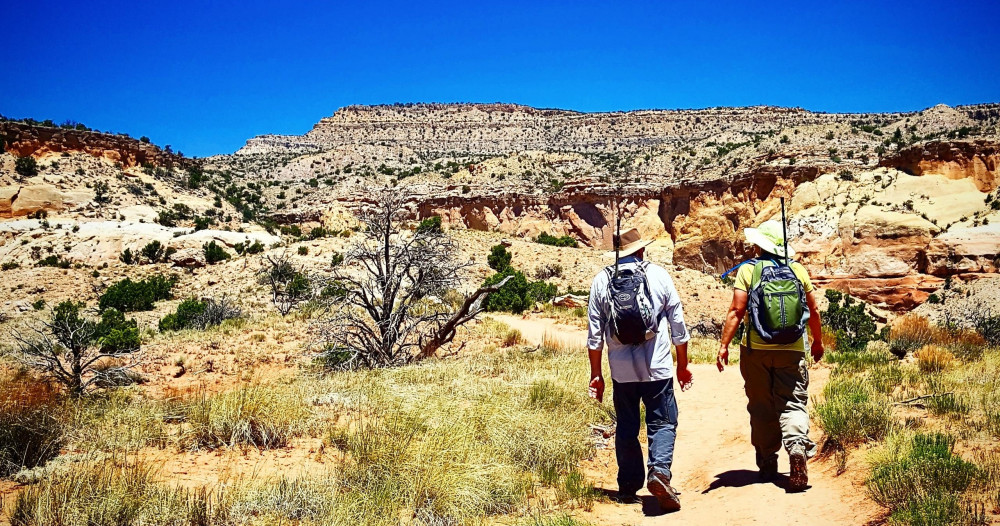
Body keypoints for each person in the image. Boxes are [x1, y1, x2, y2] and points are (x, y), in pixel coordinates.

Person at [586, 228, 693, 511]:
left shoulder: (601, 281)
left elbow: (594, 336)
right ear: (641, 250)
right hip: (657, 367)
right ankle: (659, 472)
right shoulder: (658, 276)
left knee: (627, 426)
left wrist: (596, 375)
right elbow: (678, 327)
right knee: (663, 421)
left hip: (621, 372)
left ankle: (628, 487)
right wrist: (682, 365)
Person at [716, 219, 824, 492]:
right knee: (793, 403)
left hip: (756, 350)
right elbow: (813, 310)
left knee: (761, 406)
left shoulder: (748, 271)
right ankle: (797, 450)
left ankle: (767, 462)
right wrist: (818, 342)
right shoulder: (797, 270)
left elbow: (736, 311)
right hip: (792, 349)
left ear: (760, 245)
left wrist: (723, 345)